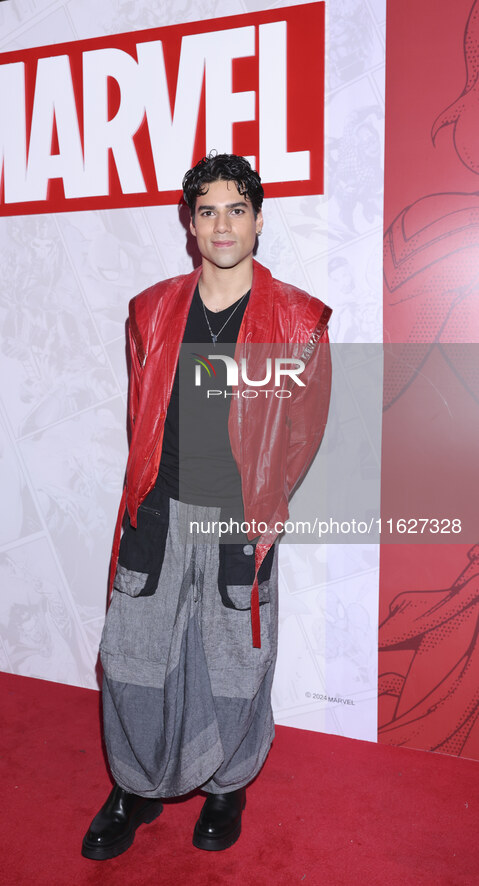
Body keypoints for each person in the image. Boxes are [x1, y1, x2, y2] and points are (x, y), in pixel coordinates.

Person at [82, 153, 332, 860]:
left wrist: (258, 510)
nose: (221, 224)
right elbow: (142, 417)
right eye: (206, 210)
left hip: (236, 516)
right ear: (189, 224)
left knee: (234, 658)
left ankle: (227, 785)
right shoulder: (151, 310)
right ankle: (133, 787)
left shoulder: (298, 319)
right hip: (157, 510)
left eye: (236, 208)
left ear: (257, 217)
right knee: (131, 651)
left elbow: (301, 436)